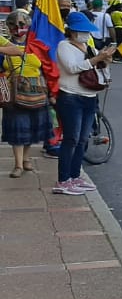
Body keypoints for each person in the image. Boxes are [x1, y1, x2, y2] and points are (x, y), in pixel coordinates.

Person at [52, 13, 116, 196]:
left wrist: (105, 61)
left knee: (82, 139)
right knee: (71, 138)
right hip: (71, 97)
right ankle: (63, 180)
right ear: (71, 31)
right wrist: (96, 59)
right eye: (82, 31)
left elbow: (97, 68)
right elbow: (72, 68)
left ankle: (75, 175)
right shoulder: (64, 46)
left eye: (87, 31)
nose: (86, 34)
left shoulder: (89, 46)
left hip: (90, 96)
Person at [2, 11, 51, 179]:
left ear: (28, 26)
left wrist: (52, 92)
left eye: (22, 24)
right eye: (14, 25)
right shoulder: (4, 46)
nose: (18, 28)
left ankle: (26, 158)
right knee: (17, 130)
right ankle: (17, 164)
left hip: (37, 91)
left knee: (32, 128)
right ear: (8, 27)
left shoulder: (37, 45)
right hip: (14, 93)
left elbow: (48, 69)